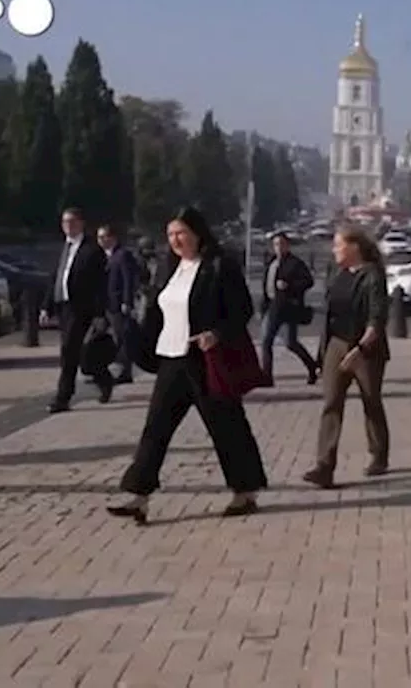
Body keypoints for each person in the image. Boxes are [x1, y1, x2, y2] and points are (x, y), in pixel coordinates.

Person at [107, 207, 268, 523]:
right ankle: (138, 496)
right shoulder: (170, 268)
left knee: (226, 426)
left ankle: (245, 491)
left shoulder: (219, 266)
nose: (175, 240)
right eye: (170, 235)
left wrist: (216, 334)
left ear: (197, 233)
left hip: (205, 359)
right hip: (172, 358)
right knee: (155, 428)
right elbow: (157, 309)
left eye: (180, 233)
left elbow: (242, 309)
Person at [303, 225, 392, 489]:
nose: (334, 250)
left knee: (371, 401)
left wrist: (360, 350)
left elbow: (377, 320)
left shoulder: (373, 276)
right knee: (331, 402)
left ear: (354, 247)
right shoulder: (338, 273)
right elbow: (330, 316)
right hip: (336, 345)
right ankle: (324, 466)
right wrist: (323, 354)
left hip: (366, 350)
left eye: (338, 245)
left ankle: (379, 454)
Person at [41, 208, 114, 412]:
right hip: (64, 305)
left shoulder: (92, 250)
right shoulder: (64, 248)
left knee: (69, 351)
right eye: (65, 222)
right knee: (75, 352)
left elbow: (101, 284)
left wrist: (100, 313)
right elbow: (55, 277)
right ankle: (103, 378)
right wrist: (46, 307)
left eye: (72, 222)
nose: (68, 226)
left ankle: (63, 397)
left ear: (81, 223)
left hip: (82, 307)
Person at [260, 231, 320, 385]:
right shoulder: (271, 263)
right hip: (272, 307)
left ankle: (312, 367)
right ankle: (267, 377)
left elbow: (308, 281)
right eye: (275, 244)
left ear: (287, 246)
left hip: (287, 308)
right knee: (268, 341)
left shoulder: (295, 263)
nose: (278, 247)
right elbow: (266, 287)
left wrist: (290, 286)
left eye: (281, 244)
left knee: (289, 343)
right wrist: (263, 307)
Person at [97, 224, 139, 384]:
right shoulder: (103, 256)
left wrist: (126, 301)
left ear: (112, 237)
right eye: (98, 237)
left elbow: (128, 279)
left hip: (117, 303)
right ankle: (100, 368)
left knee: (121, 337)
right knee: (99, 336)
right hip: (105, 304)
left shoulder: (122, 255)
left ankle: (125, 371)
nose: (100, 241)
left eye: (103, 237)